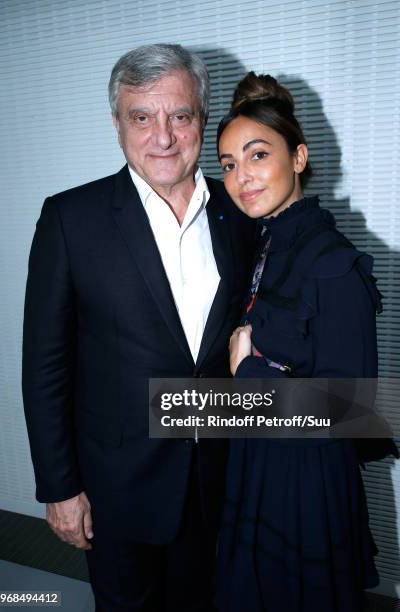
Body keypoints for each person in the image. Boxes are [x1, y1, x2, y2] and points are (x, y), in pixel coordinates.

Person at [22, 44, 254, 612]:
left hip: (215, 484)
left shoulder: (241, 215)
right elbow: (45, 366)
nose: (163, 137)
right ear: (117, 125)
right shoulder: (70, 219)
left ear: (203, 118)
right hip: (115, 490)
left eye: (180, 115)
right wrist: (60, 488)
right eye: (141, 117)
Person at [214, 72, 398, 612]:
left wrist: (248, 374)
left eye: (257, 155)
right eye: (228, 164)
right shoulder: (269, 243)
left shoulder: (331, 262)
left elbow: (353, 412)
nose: (241, 176)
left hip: (306, 487)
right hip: (260, 463)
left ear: (298, 157)